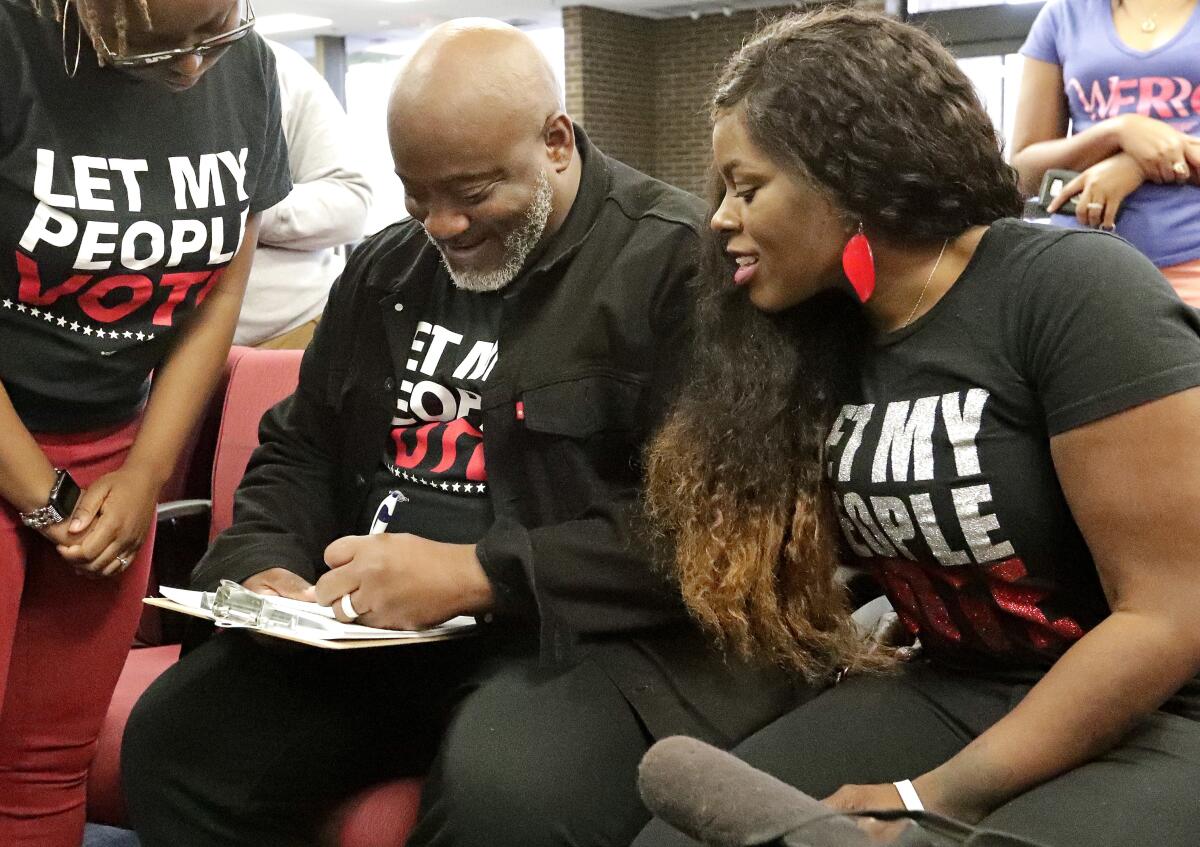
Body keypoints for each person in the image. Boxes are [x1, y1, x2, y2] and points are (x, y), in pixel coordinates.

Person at [121, 19, 805, 847]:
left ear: (555, 143)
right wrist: (265, 565)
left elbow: (714, 534)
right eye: (418, 195)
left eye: (474, 194)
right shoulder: (385, 271)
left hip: (583, 642)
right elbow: (300, 448)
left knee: (506, 798)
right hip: (378, 640)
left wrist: (478, 572)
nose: (442, 225)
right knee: (179, 741)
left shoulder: (679, 268)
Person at [633, 8, 1200, 847]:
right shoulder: (816, 335)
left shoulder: (1068, 290)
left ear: (847, 179)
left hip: (1163, 706)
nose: (719, 218)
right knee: (679, 838)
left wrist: (929, 793)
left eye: (746, 188)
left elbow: (1172, 612)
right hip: (960, 683)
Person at [0, 0, 290, 844]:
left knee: (47, 769)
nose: (194, 68)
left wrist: (145, 472)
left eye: (215, 33)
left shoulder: (250, 70)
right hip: (17, 435)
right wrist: (45, 497)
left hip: (111, 455)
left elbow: (217, 297)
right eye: (156, 41)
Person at [1011, 0, 1200, 303]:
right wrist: (1117, 131)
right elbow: (1025, 172)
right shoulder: (1064, 15)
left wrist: (1134, 165)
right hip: (1082, 271)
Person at [236, 39, 371, 349]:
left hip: (287, 331)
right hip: (141, 344)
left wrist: (248, 208)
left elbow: (351, 204)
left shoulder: (280, 67)